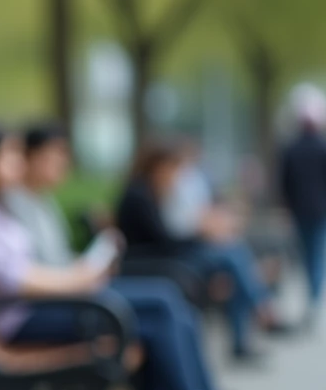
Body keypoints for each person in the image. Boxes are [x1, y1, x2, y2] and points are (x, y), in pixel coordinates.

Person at [0, 125, 273, 390]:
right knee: (159, 306)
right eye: (8, 155)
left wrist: (82, 272)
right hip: (20, 317)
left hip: (40, 305)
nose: (17, 162)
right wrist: (76, 279)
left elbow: (25, 267)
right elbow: (11, 277)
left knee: (163, 306)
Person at [117, 140, 288, 360]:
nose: (175, 176)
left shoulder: (148, 192)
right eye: (171, 168)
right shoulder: (140, 195)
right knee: (231, 257)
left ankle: (255, 312)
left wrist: (206, 232)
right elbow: (164, 241)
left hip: (168, 259)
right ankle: (261, 308)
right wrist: (201, 234)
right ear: (156, 166)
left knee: (233, 252)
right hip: (161, 262)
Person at [280, 84, 326, 325]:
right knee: (317, 253)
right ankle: (314, 298)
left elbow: (284, 182)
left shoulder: (291, 148)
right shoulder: (322, 147)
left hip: (299, 210)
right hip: (320, 209)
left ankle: (312, 295)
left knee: (307, 254)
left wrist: (286, 207)